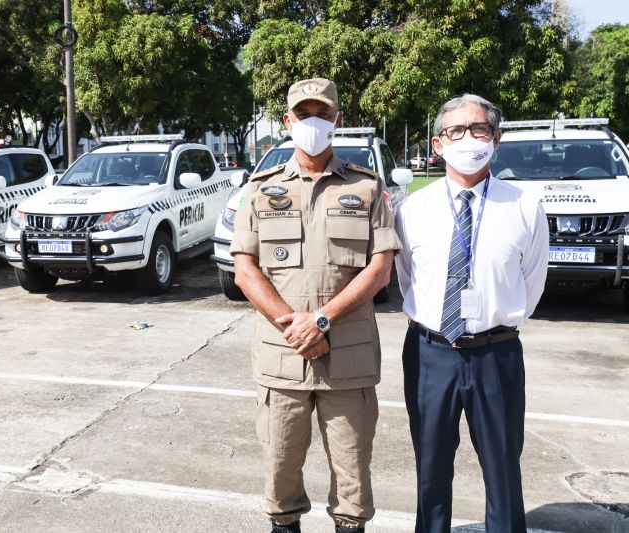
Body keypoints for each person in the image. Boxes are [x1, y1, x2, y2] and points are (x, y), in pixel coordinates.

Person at [231, 77, 401, 533]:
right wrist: (295, 327)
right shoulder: (261, 189)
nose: (313, 122)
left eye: (322, 113)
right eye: (303, 114)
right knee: (280, 475)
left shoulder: (368, 189)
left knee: (353, 481)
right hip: (282, 355)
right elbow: (246, 269)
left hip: (348, 359)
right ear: (287, 121)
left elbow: (380, 268)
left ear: (337, 120)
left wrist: (322, 320)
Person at [394, 94, 548, 533]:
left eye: (478, 129)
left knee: (503, 471)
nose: (468, 139)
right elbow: (407, 280)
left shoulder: (523, 206)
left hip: (496, 354)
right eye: (455, 131)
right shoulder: (411, 211)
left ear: (495, 139)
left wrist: (495, 321)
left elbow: (532, 281)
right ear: (437, 144)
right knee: (431, 470)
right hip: (430, 353)